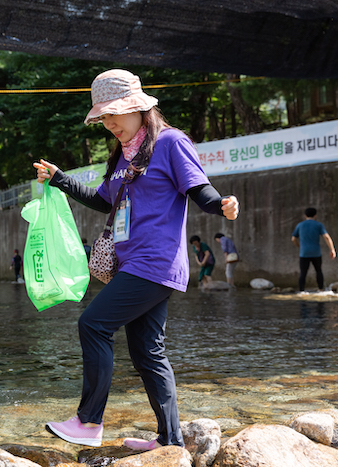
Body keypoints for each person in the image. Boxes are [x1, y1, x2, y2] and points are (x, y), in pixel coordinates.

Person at [32, 69, 239, 449]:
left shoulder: (171, 142)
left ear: (139, 109)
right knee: (147, 352)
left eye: (115, 114)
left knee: (92, 325)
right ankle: (170, 440)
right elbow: (102, 200)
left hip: (154, 263)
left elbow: (199, 188)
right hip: (133, 265)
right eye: (104, 117)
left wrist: (221, 205)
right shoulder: (123, 155)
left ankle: (89, 421)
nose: (109, 123)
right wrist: (60, 178)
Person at [291, 207, 336, 292]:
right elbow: (326, 237)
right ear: (315, 215)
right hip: (316, 252)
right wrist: (332, 249)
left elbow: (293, 239)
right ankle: (321, 289)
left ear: (305, 215)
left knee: (303, 273)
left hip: (304, 253)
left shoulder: (300, 225)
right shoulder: (318, 225)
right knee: (318, 271)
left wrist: (299, 246)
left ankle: (301, 291)